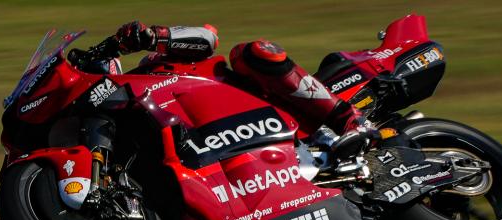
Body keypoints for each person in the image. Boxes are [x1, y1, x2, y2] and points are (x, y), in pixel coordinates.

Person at [112, 20, 377, 158]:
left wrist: (152, 37)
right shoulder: (125, 123)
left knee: (252, 52)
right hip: (231, 154)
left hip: (267, 107)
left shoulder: (153, 65)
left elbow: (208, 38)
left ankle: (349, 119)